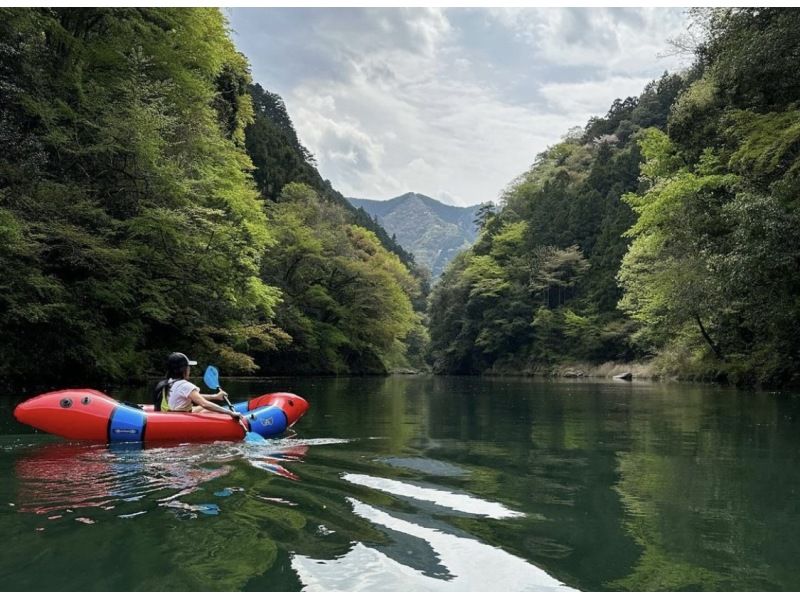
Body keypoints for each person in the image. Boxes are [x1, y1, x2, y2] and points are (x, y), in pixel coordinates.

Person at [159, 352, 244, 421]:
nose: (189, 369)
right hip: (180, 417)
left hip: (173, 413)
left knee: (202, 409)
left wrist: (215, 396)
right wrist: (231, 413)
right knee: (208, 409)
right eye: (188, 367)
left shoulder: (169, 382)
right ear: (183, 369)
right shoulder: (185, 385)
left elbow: (193, 396)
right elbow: (204, 403)